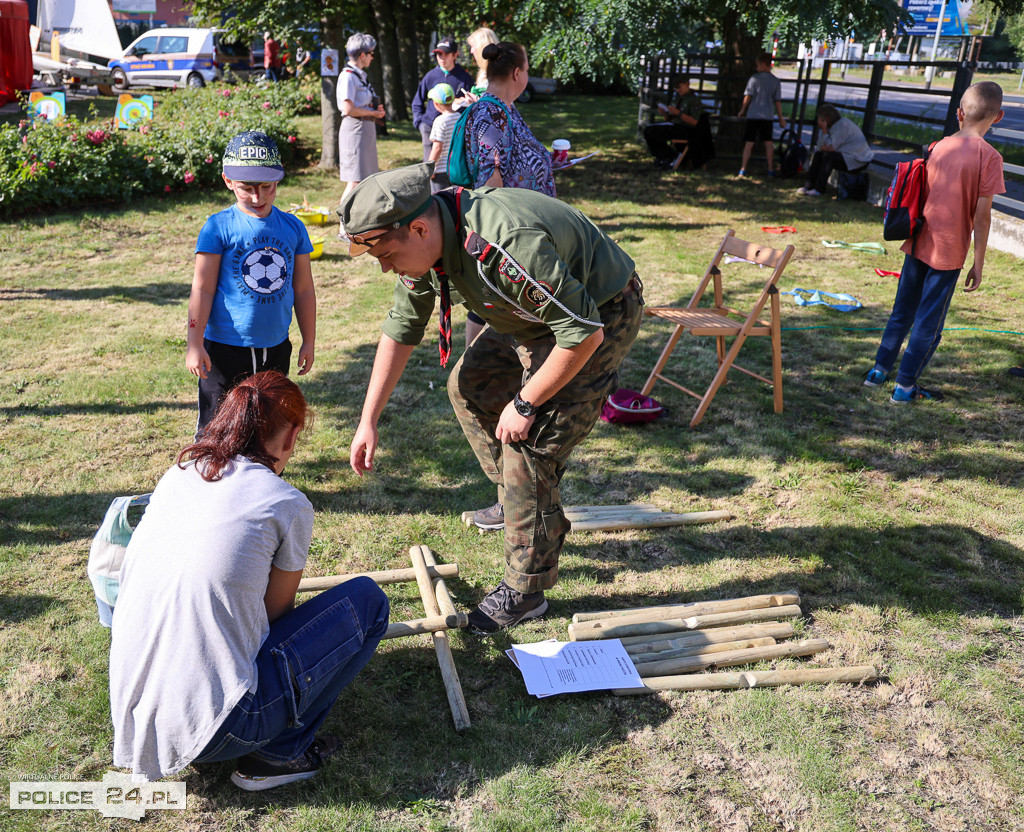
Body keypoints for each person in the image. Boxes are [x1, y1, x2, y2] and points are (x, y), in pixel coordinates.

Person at [339, 164, 644, 634]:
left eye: (384, 254)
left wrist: (524, 403)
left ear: (419, 229)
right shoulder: (429, 235)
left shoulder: (504, 245)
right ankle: (519, 501)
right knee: (469, 386)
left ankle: (526, 588)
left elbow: (582, 335)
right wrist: (368, 420)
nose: (384, 267)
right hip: (533, 315)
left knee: (531, 442)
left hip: (598, 314)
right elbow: (401, 329)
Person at [109, 371, 389, 790]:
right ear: (290, 437)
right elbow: (274, 617)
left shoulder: (178, 474)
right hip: (223, 728)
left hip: (136, 716)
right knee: (368, 601)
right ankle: (279, 756)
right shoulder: (285, 503)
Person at [863, 81, 1005, 403]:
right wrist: (978, 264)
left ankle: (877, 372)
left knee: (902, 312)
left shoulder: (939, 145)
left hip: (917, 242)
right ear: (998, 117)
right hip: (949, 252)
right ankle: (905, 387)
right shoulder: (990, 158)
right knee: (929, 323)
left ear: (959, 113)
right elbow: (982, 218)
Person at [186, 131, 316, 436]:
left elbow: (304, 289)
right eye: (247, 188)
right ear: (228, 181)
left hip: (276, 347)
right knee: (219, 426)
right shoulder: (218, 227)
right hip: (224, 349)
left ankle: (264, 480)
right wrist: (194, 343)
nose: (258, 197)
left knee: (268, 424)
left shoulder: (294, 228)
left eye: (267, 187)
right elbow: (202, 289)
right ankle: (209, 479)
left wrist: (308, 339)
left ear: (278, 180)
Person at [462, 42, 556, 346]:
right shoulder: (491, 111)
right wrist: (506, 240)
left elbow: (516, 165)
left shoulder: (505, 109)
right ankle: (475, 370)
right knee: (498, 304)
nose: (527, 74)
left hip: (526, 227)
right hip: (514, 234)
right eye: (527, 69)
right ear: (517, 73)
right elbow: (491, 179)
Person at [338, 33, 386, 202]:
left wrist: (374, 109)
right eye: (371, 54)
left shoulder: (360, 75)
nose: (373, 57)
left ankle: (359, 225)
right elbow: (348, 108)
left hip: (364, 129)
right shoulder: (348, 76)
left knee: (366, 179)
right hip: (355, 130)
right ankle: (343, 226)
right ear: (363, 55)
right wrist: (373, 113)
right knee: (355, 181)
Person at [411, 37, 473, 163]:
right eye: (439, 54)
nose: (441, 58)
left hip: (454, 129)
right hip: (430, 127)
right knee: (430, 167)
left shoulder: (464, 78)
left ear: (455, 55)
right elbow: (417, 101)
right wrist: (420, 123)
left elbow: (472, 104)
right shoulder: (431, 76)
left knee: (453, 167)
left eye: (446, 54)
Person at [797, 104, 873, 197]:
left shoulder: (842, 125)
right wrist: (824, 135)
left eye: (821, 119)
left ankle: (819, 189)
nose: (819, 122)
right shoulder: (833, 127)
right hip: (847, 155)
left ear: (827, 118)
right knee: (819, 155)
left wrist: (824, 131)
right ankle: (809, 185)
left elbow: (830, 147)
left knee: (829, 158)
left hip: (857, 159)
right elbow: (820, 147)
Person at [643, 74, 714, 170]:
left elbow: (694, 122)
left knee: (653, 131)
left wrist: (678, 113)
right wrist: (665, 114)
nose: (678, 90)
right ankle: (663, 156)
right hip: (675, 125)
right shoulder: (678, 98)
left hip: (686, 129)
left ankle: (671, 156)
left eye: (679, 87)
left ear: (687, 84)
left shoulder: (693, 100)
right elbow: (670, 119)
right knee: (648, 130)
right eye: (675, 88)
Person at [737, 52, 786, 177]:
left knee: (749, 142)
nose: (756, 67)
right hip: (767, 116)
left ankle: (743, 168)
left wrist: (743, 109)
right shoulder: (775, 81)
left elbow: (748, 96)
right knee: (768, 143)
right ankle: (770, 168)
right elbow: (777, 101)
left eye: (757, 65)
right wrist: (780, 118)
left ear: (763, 64)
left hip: (753, 114)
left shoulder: (754, 79)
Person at [427, 83, 459, 192]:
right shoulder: (459, 118)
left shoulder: (440, 121)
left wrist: (430, 168)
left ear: (435, 104)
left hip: (441, 171)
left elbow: (437, 147)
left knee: (441, 202)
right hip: (456, 168)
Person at [465, 27, 498, 94]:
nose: (471, 51)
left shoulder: (495, 75)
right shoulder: (485, 71)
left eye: (473, 46)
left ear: (481, 47)